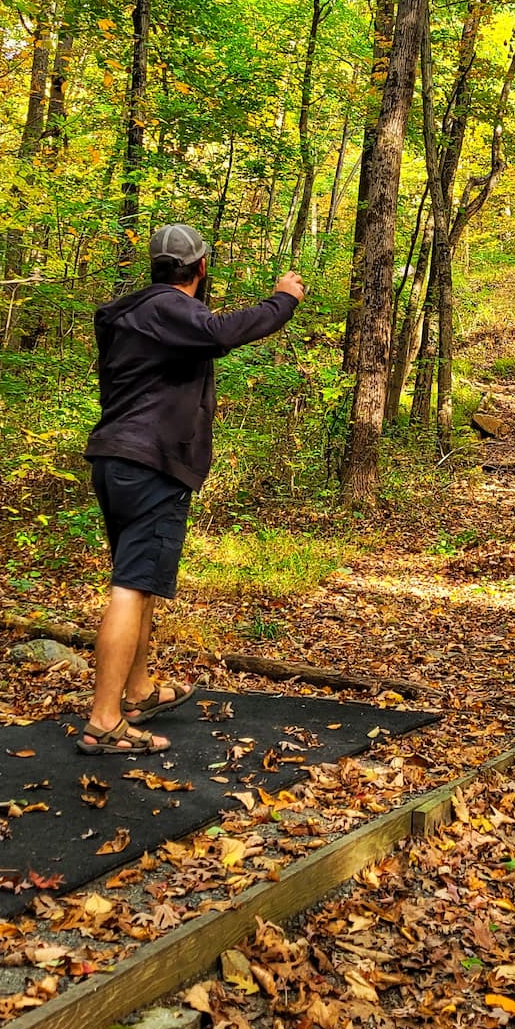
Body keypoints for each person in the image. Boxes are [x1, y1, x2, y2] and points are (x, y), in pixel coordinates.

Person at [77, 223, 304, 753]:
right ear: (200, 268)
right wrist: (283, 300)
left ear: (156, 265)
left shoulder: (126, 316)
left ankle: (137, 691)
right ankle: (105, 719)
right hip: (152, 464)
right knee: (131, 586)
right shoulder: (169, 311)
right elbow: (223, 331)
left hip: (116, 460)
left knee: (140, 581)